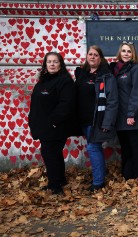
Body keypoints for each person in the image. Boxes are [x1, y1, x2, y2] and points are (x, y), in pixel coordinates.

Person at [28, 52, 76, 194]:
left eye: (55, 61)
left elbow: (66, 104)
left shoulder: (65, 80)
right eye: (49, 62)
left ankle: (55, 186)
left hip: (56, 126)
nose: (52, 64)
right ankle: (60, 179)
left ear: (60, 64)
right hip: (44, 126)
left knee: (50, 153)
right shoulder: (43, 81)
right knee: (54, 153)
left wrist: (54, 122)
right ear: (45, 64)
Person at [75, 46, 118, 191]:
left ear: (101, 58)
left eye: (96, 55)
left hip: (97, 120)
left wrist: (107, 122)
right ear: (87, 56)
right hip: (83, 120)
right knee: (94, 148)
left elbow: (112, 101)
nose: (92, 57)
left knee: (93, 148)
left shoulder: (107, 76)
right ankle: (98, 176)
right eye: (90, 54)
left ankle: (98, 182)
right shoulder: (82, 74)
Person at [110, 41, 138, 180]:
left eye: (129, 51)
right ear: (119, 53)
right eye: (123, 51)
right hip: (119, 116)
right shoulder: (117, 70)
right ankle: (128, 175)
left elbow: (137, 93)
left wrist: (131, 114)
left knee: (135, 147)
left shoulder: (136, 69)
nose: (126, 54)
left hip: (132, 116)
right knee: (125, 147)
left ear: (133, 53)